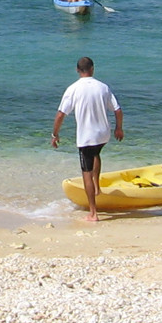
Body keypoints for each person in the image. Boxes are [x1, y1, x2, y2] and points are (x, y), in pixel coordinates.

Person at [50, 56, 122, 222]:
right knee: (96, 154)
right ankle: (97, 188)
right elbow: (118, 110)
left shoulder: (73, 89)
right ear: (92, 69)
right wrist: (119, 128)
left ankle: (93, 213)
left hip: (87, 137)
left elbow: (61, 115)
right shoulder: (103, 87)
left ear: (77, 70)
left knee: (86, 172)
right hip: (103, 134)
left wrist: (55, 134)